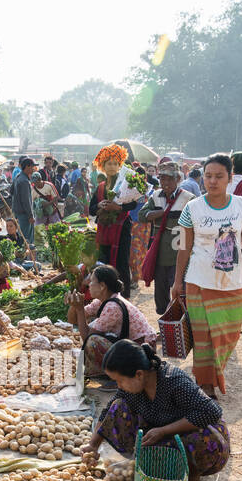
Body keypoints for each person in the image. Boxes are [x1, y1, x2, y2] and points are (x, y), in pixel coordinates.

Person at [81, 340, 230, 481]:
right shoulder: (133, 388)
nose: (119, 386)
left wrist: (163, 431)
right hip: (161, 434)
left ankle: (192, 476)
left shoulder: (173, 381)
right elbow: (109, 410)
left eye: (120, 380)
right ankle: (155, 465)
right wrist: (93, 445)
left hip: (200, 437)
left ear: (139, 374)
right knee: (118, 407)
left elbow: (212, 411)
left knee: (202, 438)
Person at [172, 152, 242, 398]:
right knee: (204, 336)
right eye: (208, 176)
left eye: (219, 176)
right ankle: (206, 384)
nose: (212, 181)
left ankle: (213, 373)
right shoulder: (192, 208)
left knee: (229, 332)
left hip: (231, 280)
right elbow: (184, 247)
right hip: (198, 280)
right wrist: (177, 281)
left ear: (230, 178)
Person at [67, 264, 158, 377]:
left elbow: (87, 338)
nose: (88, 285)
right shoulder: (104, 300)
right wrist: (74, 305)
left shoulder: (112, 307)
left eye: (91, 281)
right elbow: (73, 320)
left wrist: (79, 309)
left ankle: (114, 375)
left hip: (141, 350)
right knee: (89, 325)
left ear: (102, 286)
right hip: (129, 344)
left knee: (93, 341)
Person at [137, 162, 195, 315]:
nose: (166, 183)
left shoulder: (188, 198)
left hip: (179, 255)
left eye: (170, 179)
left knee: (180, 293)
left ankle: (182, 329)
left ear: (178, 179)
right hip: (159, 254)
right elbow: (142, 216)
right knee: (161, 295)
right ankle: (166, 327)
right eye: (162, 179)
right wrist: (159, 213)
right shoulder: (155, 196)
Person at [91, 144, 137, 298]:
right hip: (104, 230)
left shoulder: (126, 185)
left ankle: (123, 298)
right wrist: (100, 205)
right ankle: (106, 297)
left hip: (121, 228)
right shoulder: (100, 187)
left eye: (115, 163)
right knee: (104, 262)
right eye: (108, 163)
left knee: (121, 263)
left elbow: (133, 204)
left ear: (120, 166)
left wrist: (118, 208)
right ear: (102, 166)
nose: (112, 166)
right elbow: (91, 209)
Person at [10, 156, 35, 248]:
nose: (33, 169)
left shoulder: (18, 177)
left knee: (21, 237)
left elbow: (11, 191)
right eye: (32, 167)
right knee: (26, 239)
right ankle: (26, 258)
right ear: (27, 167)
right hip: (24, 214)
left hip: (18, 212)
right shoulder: (24, 181)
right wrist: (30, 215)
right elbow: (26, 201)